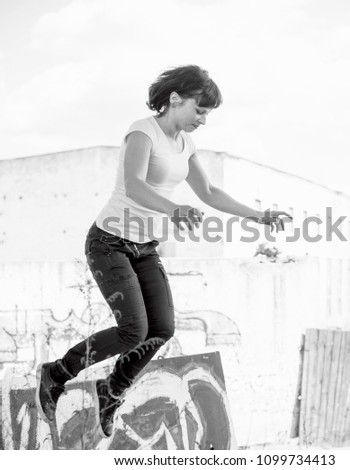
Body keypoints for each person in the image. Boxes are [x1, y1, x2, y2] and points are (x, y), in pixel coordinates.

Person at [35, 65, 292, 439]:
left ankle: (111, 390)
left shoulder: (185, 144)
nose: (203, 120)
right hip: (109, 242)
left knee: (162, 328)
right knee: (133, 330)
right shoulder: (143, 131)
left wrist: (258, 215)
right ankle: (56, 374)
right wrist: (174, 209)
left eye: (207, 114)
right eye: (199, 110)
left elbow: (209, 193)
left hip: (144, 246)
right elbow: (135, 186)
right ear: (175, 99)